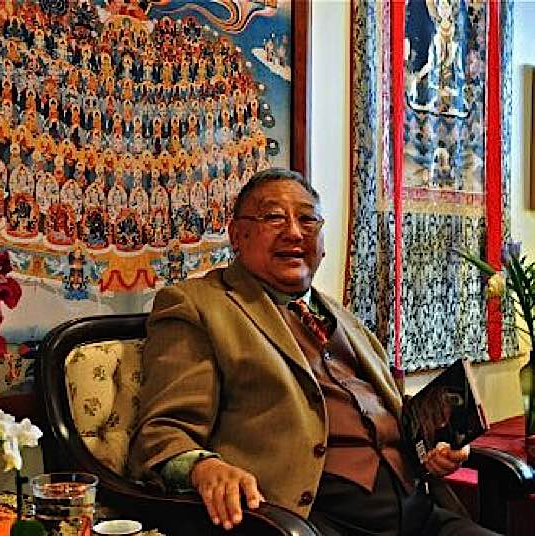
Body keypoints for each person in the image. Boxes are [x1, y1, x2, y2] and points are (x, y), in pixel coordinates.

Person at [128, 168, 497, 535]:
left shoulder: (344, 317)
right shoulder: (199, 306)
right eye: (273, 217)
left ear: (321, 242)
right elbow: (162, 434)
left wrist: (431, 450)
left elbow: (381, 413)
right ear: (237, 235)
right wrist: (205, 468)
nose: (293, 232)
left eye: (307, 219)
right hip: (307, 520)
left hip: (420, 512)